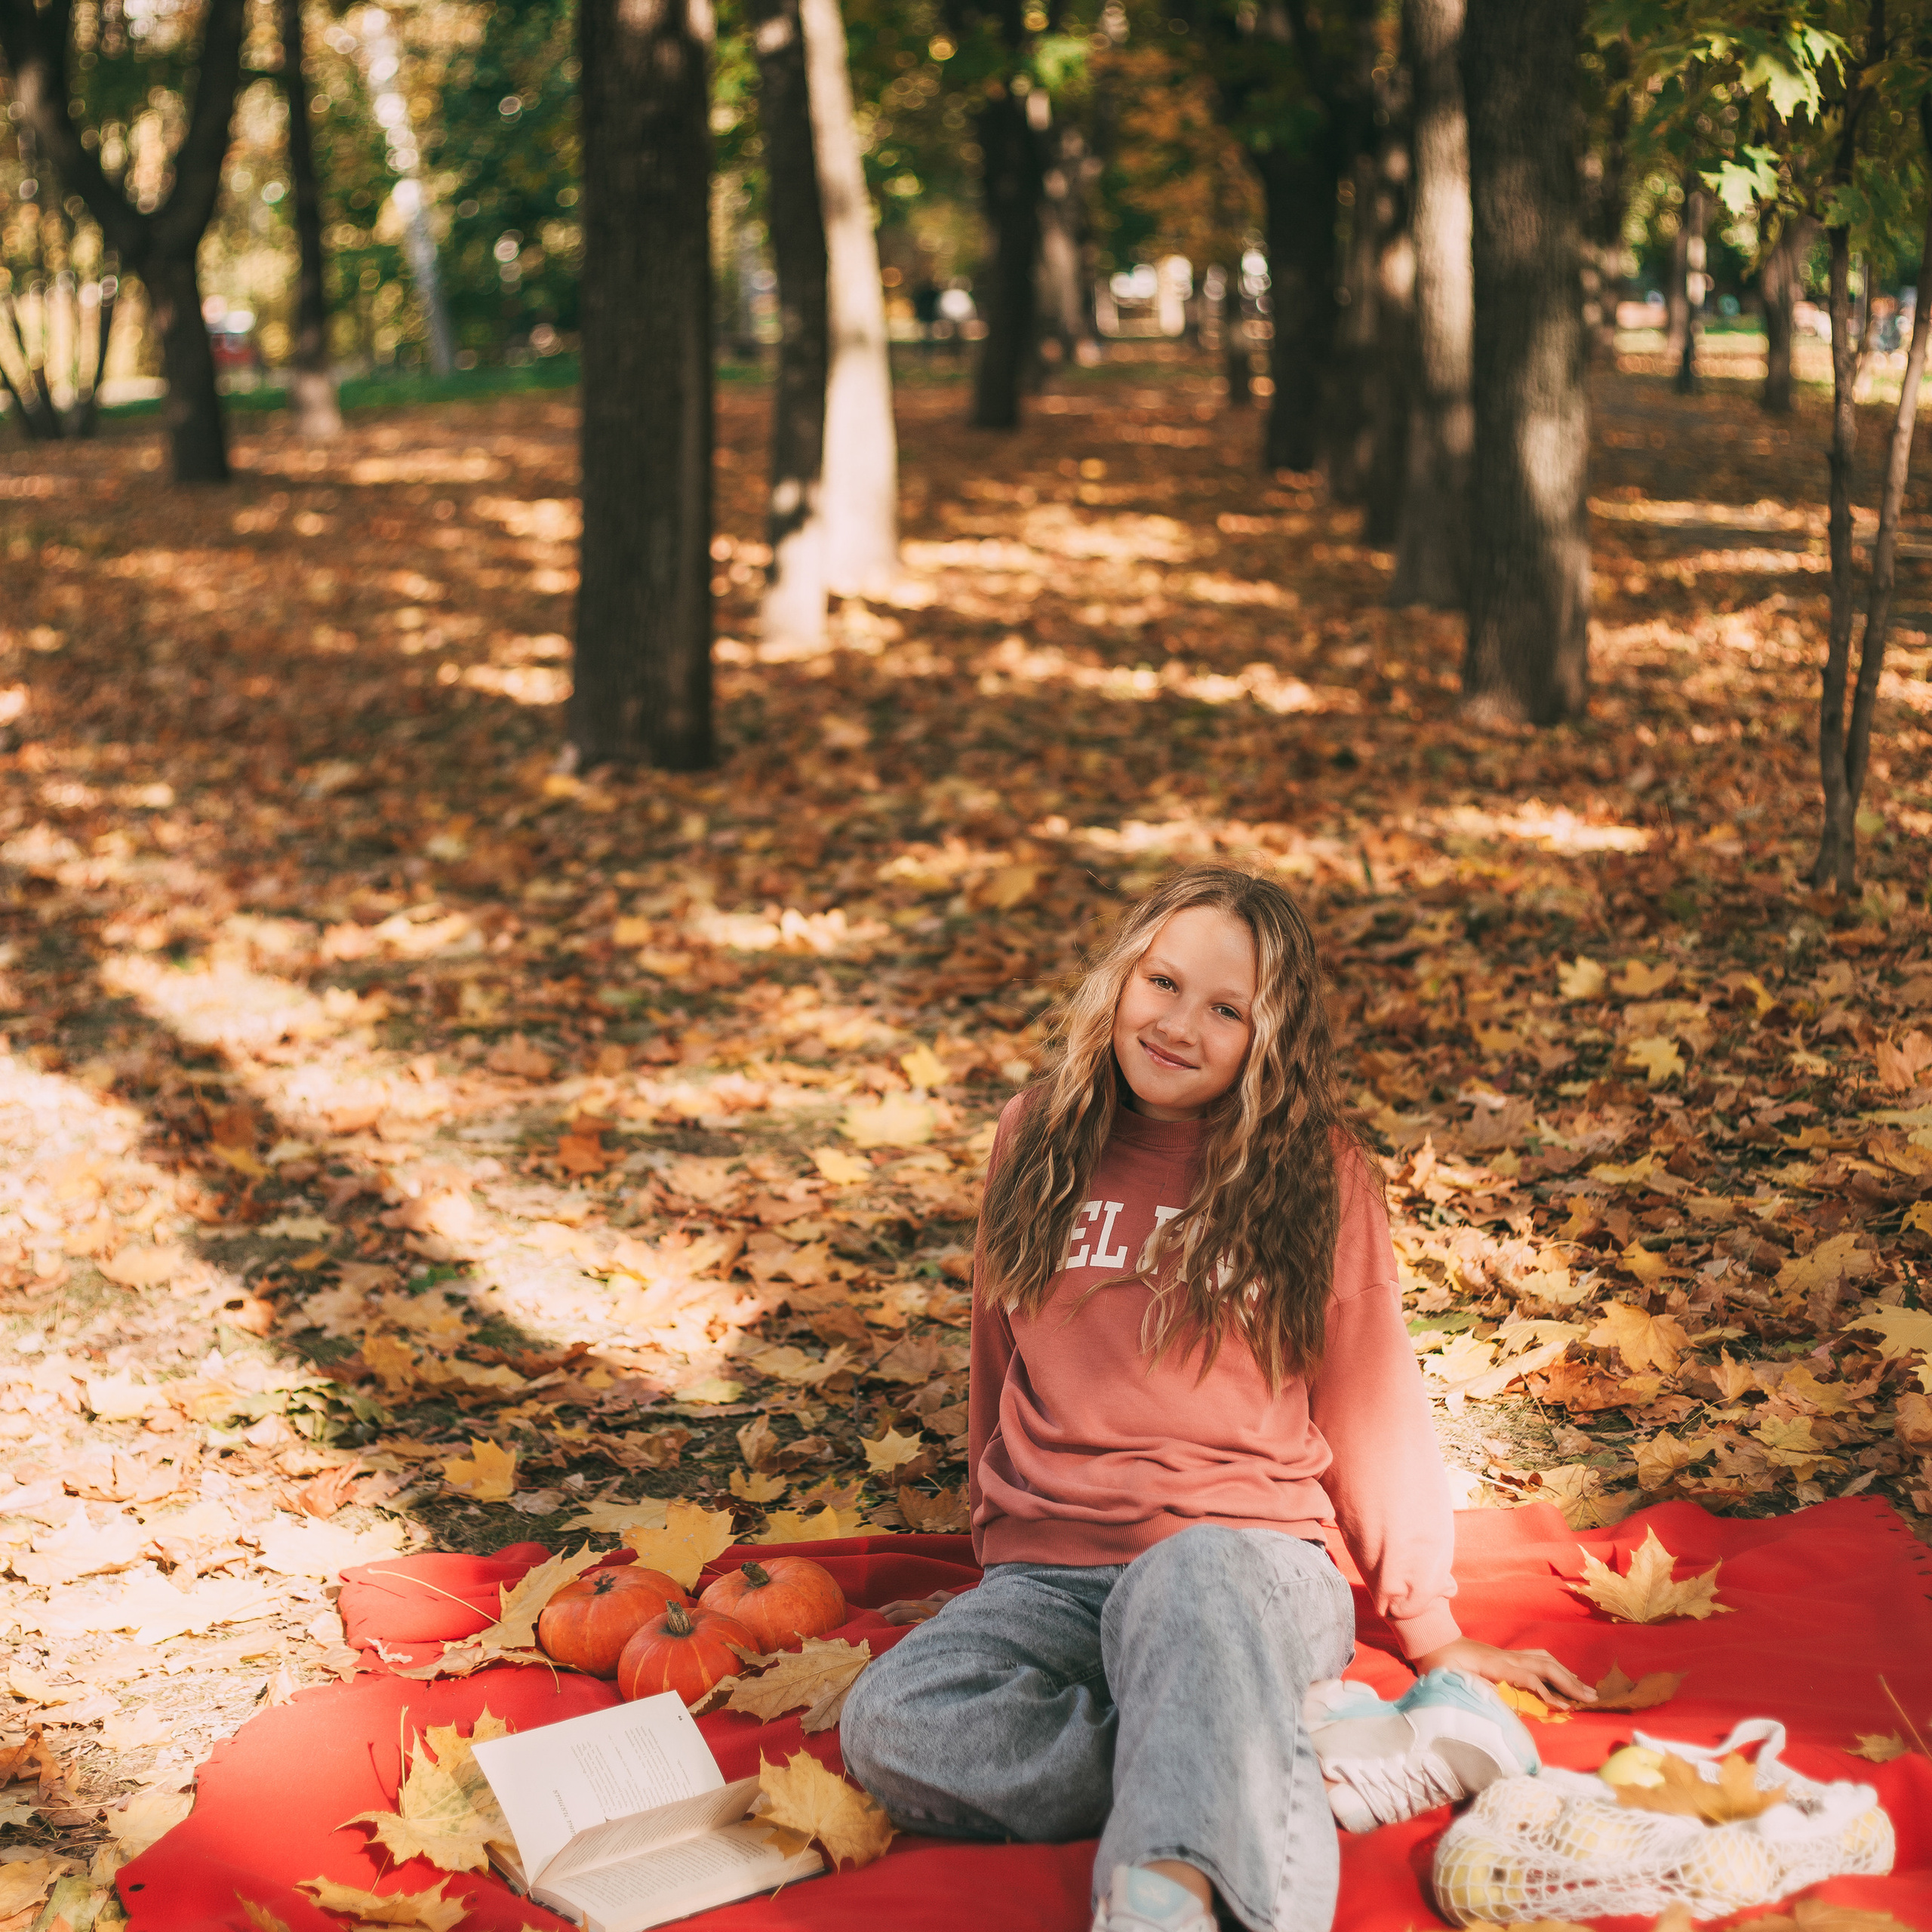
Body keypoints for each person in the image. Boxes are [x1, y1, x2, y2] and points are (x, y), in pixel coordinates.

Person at [841, 865, 1594, 1932]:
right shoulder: (1037, 1136)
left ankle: (1167, 1896)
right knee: (890, 1722)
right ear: (1120, 981)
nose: (1179, 1024)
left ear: (1268, 1039)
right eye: (1163, 983)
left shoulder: (1319, 1172)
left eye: (1226, 1009)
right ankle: (1290, 1752)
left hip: (1246, 1568)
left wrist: (1428, 1627)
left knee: (1189, 1572)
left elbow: (1370, 1400)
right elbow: (995, 1353)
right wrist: (992, 1544)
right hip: (1056, 1580)